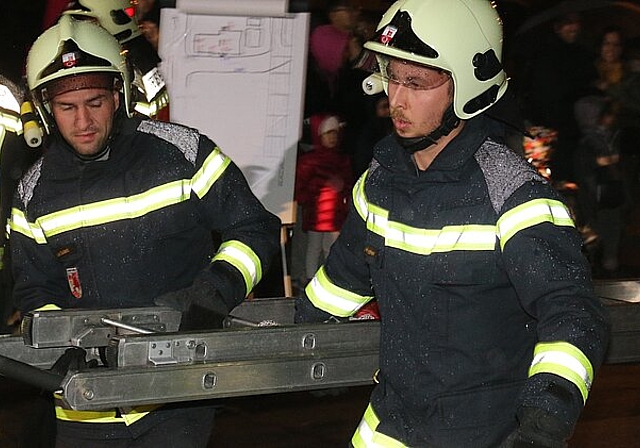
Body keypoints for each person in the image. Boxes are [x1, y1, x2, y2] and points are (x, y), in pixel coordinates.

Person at [294, 1, 610, 447]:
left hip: (484, 432)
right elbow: (342, 281)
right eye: (392, 76)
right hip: (392, 423)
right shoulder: (380, 181)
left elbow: (572, 312)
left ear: (468, 88)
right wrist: (284, 332)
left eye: (417, 83)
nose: (396, 100)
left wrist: (544, 420)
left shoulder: (511, 196)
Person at [11, 15, 280, 447]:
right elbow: (32, 287)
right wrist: (63, 347)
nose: (83, 121)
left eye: (95, 102)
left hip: (174, 392)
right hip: (85, 402)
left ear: (119, 94)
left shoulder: (182, 153)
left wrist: (215, 290)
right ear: (45, 109)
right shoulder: (33, 193)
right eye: (67, 107)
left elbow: (254, 228)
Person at [295, 114, 353, 282]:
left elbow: (349, 183)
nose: (333, 138)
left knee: (331, 248)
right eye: (329, 134)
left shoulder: (342, 160)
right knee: (314, 248)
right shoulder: (310, 161)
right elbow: (302, 186)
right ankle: (310, 278)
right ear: (320, 136)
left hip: (336, 214)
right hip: (317, 214)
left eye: (335, 134)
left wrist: (343, 189)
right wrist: (316, 192)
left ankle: (329, 279)